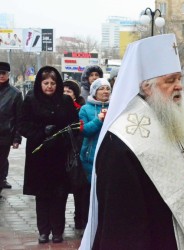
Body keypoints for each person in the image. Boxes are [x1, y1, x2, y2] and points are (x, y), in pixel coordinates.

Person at [79, 34, 184, 249]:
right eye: (170, 80)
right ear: (146, 87)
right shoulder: (121, 139)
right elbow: (122, 224)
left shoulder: (172, 120)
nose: (179, 86)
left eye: (179, 78)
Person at [19, 66, 78, 244]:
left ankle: (58, 231)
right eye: (46, 83)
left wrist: (63, 136)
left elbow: (74, 125)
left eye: (53, 83)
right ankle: (43, 231)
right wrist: (41, 131)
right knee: (42, 195)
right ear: (40, 83)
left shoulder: (65, 101)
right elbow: (23, 125)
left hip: (59, 155)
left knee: (59, 195)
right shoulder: (31, 100)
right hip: (39, 155)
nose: (50, 86)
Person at [79, 78, 111, 231]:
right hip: (89, 158)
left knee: (105, 193)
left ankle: (104, 225)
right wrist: (99, 120)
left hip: (109, 156)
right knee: (90, 194)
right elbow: (84, 130)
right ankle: (89, 225)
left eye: (107, 88)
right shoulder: (85, 109)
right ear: (94, 92)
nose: (105, 91)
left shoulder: (115, 106)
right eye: (101, 89)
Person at [63, 79, 86, 233]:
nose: (66, 94)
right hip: (61, 153)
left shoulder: (81, 110)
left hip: (77, 152)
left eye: (69, 92)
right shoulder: (57, 108)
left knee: (79, 187)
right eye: (63, 91)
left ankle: (80, 218)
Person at [0, 62, 23, 191]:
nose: (1, 75)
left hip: (4, 135)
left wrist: (16, 138)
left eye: (4, 73)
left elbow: (20, 118)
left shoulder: (15, 94)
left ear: (8, 74)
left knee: (1, 162)